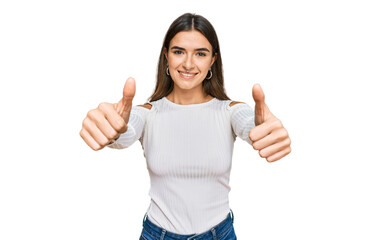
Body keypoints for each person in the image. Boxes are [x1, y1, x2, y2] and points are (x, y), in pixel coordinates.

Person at [80, 13, 291, 240]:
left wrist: (263, 129)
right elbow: (125, 131)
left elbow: (251, 126)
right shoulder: (147, 113)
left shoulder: (230, 111)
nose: (188, 64)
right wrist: (111, 132)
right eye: (178, 51)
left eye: (200, 54)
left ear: (212, 60)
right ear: (166, 56)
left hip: (219, 234)